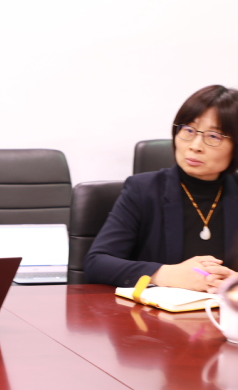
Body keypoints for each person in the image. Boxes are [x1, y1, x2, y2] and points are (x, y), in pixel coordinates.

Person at [85, 85, 238, 292]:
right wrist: (164, 274)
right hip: (156, 312)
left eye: (214, 136)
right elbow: (96, 263)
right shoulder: (142, 190)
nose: (195, 146)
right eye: (189, 130)